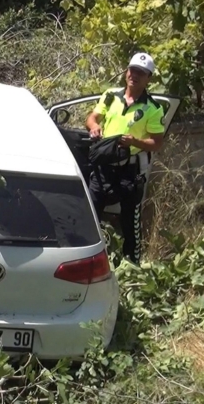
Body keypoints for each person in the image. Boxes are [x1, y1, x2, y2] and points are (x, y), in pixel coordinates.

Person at [84, 52, 166, 264]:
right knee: (90, 217)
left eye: (141, 73)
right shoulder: (111, 95)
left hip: (130, 172)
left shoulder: (153, 108)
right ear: (126, 72)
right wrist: (94, 127)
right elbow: (92, 118)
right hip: (103, 169)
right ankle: (90, 262)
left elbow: (157, 143)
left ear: (148, 78)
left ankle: (132, 267)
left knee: (130, 223)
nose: (134, 75)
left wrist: (135, 142)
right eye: (132, 70)